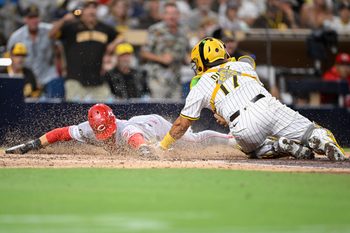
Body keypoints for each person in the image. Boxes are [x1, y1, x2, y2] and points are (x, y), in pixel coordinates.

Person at [159, 37, 346, 161]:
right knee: (313, 132)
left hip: (243, 124)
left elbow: (181, 125)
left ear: (200, 61)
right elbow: (244, 67)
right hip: (270, 106)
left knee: (251, 150)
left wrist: (163, 146)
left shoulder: (200, 85)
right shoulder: (244, 66)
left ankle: (278, 146)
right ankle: (325, 142)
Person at [5, 103, 237, 157]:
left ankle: (231, 139)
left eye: (107, 133)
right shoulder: (88, 129)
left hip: (153, 126)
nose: (104, 138)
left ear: (113, 122)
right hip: (141, 127)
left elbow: (135, 138)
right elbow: (59, 134)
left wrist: (145, 151)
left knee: (193, 140)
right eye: (100, 134)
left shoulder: (124, 129)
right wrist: (32, 145)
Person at [49, 0, 122, 101]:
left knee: (106, 108)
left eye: (94, 7)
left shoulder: (104, 28)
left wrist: (113, 44)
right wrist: (64, 20)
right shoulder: (72, 27)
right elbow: (51, 35)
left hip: (97, 79)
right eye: (88, 7)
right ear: (83, 10)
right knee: (75, 111)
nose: (91, 10)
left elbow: (121, 36)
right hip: (75, 78)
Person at [6, 4, 64, 99]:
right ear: (25, 19)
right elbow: (9, 57)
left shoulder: (49, 30)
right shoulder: (16, 37)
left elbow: (61, 41)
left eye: (36, 17)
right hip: (27, 77)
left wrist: (64, 20)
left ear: (39, 18)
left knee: (55, 98)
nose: (34, 20)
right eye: (30, 17)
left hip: (48, 75)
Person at [140, 2, 189, 100]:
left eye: (174, 13)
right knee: (158, 109)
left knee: (175, 110)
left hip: (176, 79)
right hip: (158, 79)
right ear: (163, 15)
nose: (171, 16)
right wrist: (161, 59)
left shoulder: (183, 31)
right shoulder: (155, 30)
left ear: (178, 15)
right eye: (168, 13)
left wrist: (187, 59)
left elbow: (186, 52)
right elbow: (143, 53)